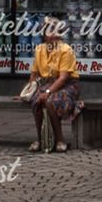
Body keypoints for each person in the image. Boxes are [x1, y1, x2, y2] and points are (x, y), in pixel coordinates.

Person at [22, 16, 83, 154]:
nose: (54, 36)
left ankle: (59, 139)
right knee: (36, 100)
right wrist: (26, 92)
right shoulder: (39, 49)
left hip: (68, 85)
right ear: (44, 34)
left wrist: (48, 92)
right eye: (50, 32)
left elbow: (63, 79)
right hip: (47, 84)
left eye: (56, 32)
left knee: (50, 101)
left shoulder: (65, 50)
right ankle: (41, 139)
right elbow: (34, 74)